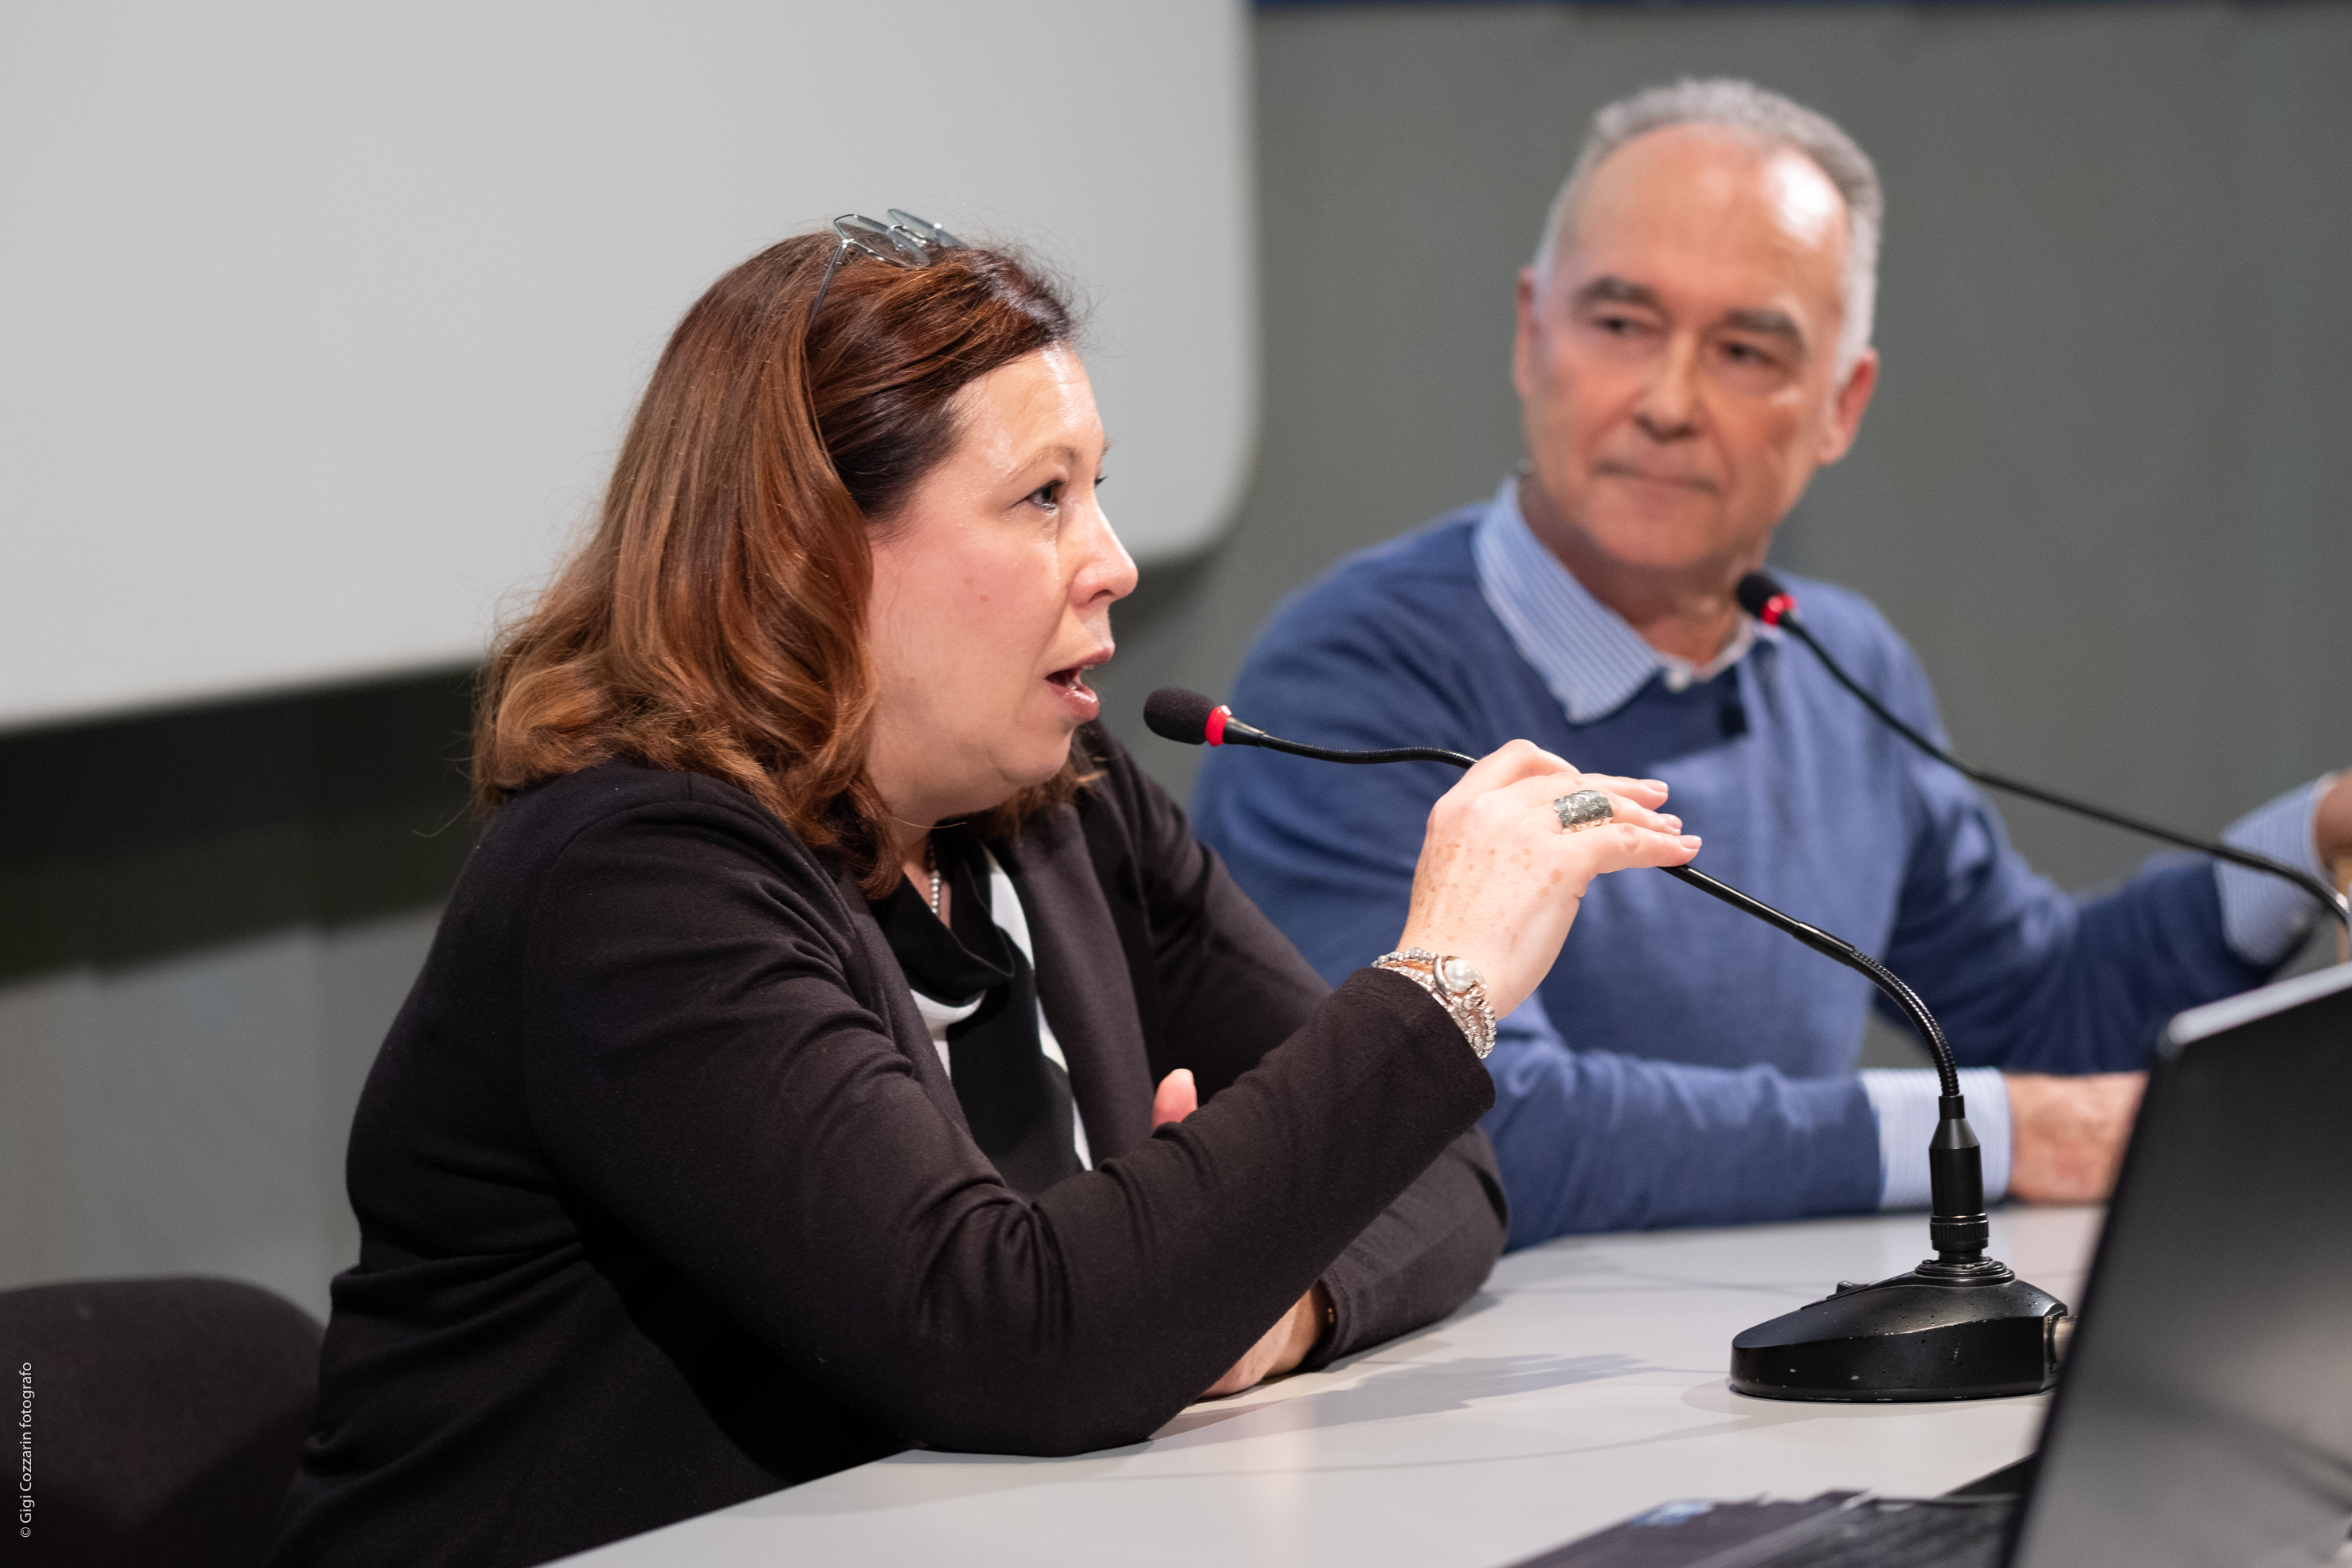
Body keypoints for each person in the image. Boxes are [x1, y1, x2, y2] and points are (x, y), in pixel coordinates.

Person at [268, 218, 1704, 1566]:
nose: (1111, 562)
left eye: (1097, 489)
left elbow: (1443, 1173)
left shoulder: (1065, 809)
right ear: (812, 555)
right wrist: (1438, 983)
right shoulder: (636, 884)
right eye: (1041, 499)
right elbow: (1018, 1336)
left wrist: (1271, 1306)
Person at [1193, 80, 2352, 1253]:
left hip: (1782, 1350)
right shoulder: (1350, 679)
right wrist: (1997, 1134)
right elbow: (1453, 1122)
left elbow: (2047, 1013)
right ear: (1530, 332)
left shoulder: (1836, 662)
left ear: (1841, 404)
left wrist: (2306, 843)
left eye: (1744, 351)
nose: (1667, 402)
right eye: (1620, 324)